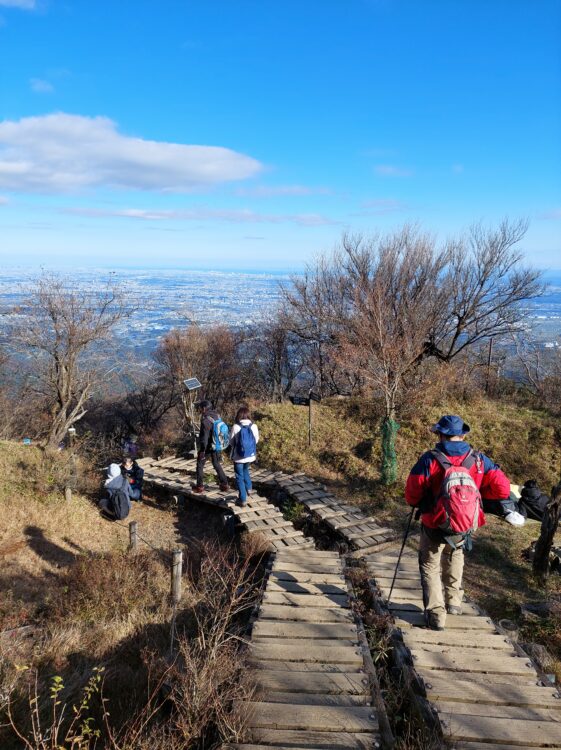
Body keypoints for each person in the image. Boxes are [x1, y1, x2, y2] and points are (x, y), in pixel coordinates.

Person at [405, 415, 511, 631]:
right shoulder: (480, 460)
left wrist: (423, 501)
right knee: (456, 554)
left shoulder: (430, 459)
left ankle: (436, 614)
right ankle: (453, 602)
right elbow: (503, 489)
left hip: (434, 523)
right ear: (462, 434)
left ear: (441, 434)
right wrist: (477, 496)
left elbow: (412, 494)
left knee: (430, 565)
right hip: (464, 524)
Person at [193, 400, 229, 493]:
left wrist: (202, 451)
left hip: (208, 446)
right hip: (216, 444)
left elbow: (204, 437)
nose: (199, 409)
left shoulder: (205, 420)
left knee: (200, 465)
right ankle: (224, 484)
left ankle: (199, 486)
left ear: (204, 408)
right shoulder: (217, 415)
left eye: (200, 408)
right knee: (216, 463)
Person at [230, 405, 259, 507]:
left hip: (238, 457)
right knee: (246, 470)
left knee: (239, 476)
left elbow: (231, 442)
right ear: (248, 415)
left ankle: (242, 499)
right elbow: (256, 440)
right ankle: (249, 489)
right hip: (250, 456)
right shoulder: (253, 426)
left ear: (239, 415)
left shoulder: (236, 427)